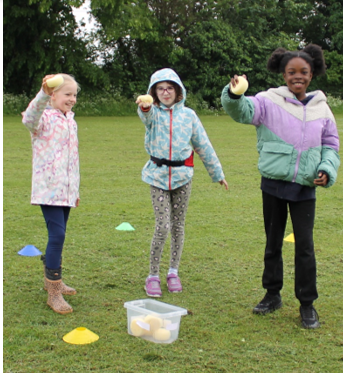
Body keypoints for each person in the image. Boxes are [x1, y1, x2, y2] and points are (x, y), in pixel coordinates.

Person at [221, 45, 339, 329]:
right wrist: (235, 93)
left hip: (304, 189)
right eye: (291, 72)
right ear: (283, 74)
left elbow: (331, 145)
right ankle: (272, 294)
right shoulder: (267, 101)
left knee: (305, 248)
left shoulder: (322, 108)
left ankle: (307, 304)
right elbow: (241, 111)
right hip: (273, 185)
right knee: (273, 243)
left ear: (312, 74)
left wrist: (325, 169)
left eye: (304, 72)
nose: (297, 77)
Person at [136, 68, 228, 297]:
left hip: (182, 177)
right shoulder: (153, 113)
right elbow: (145, 116)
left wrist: (217, 173)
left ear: (178, 91)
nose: (165, 92)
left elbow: (203, 144)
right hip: (157, 177)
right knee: (163, 226)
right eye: (160, 88)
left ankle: (173, 272)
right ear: (154, 92)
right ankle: (153, 275)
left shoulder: (189, 116)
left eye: (169, 88)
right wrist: (145, 107)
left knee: (178, 226)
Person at [22, 73, 80, 314]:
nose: (72, 99)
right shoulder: (43, 118)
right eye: (67, 94)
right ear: (53, 94)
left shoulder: (71, 121)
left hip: (67, 190)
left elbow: (72, 159)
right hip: (49, 190)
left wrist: (75, 188)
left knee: (60, 235)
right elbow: (28, 118)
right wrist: (42, 94)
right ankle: (53, 292)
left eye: (75, 95)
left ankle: (52, 279)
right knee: (57, 236)